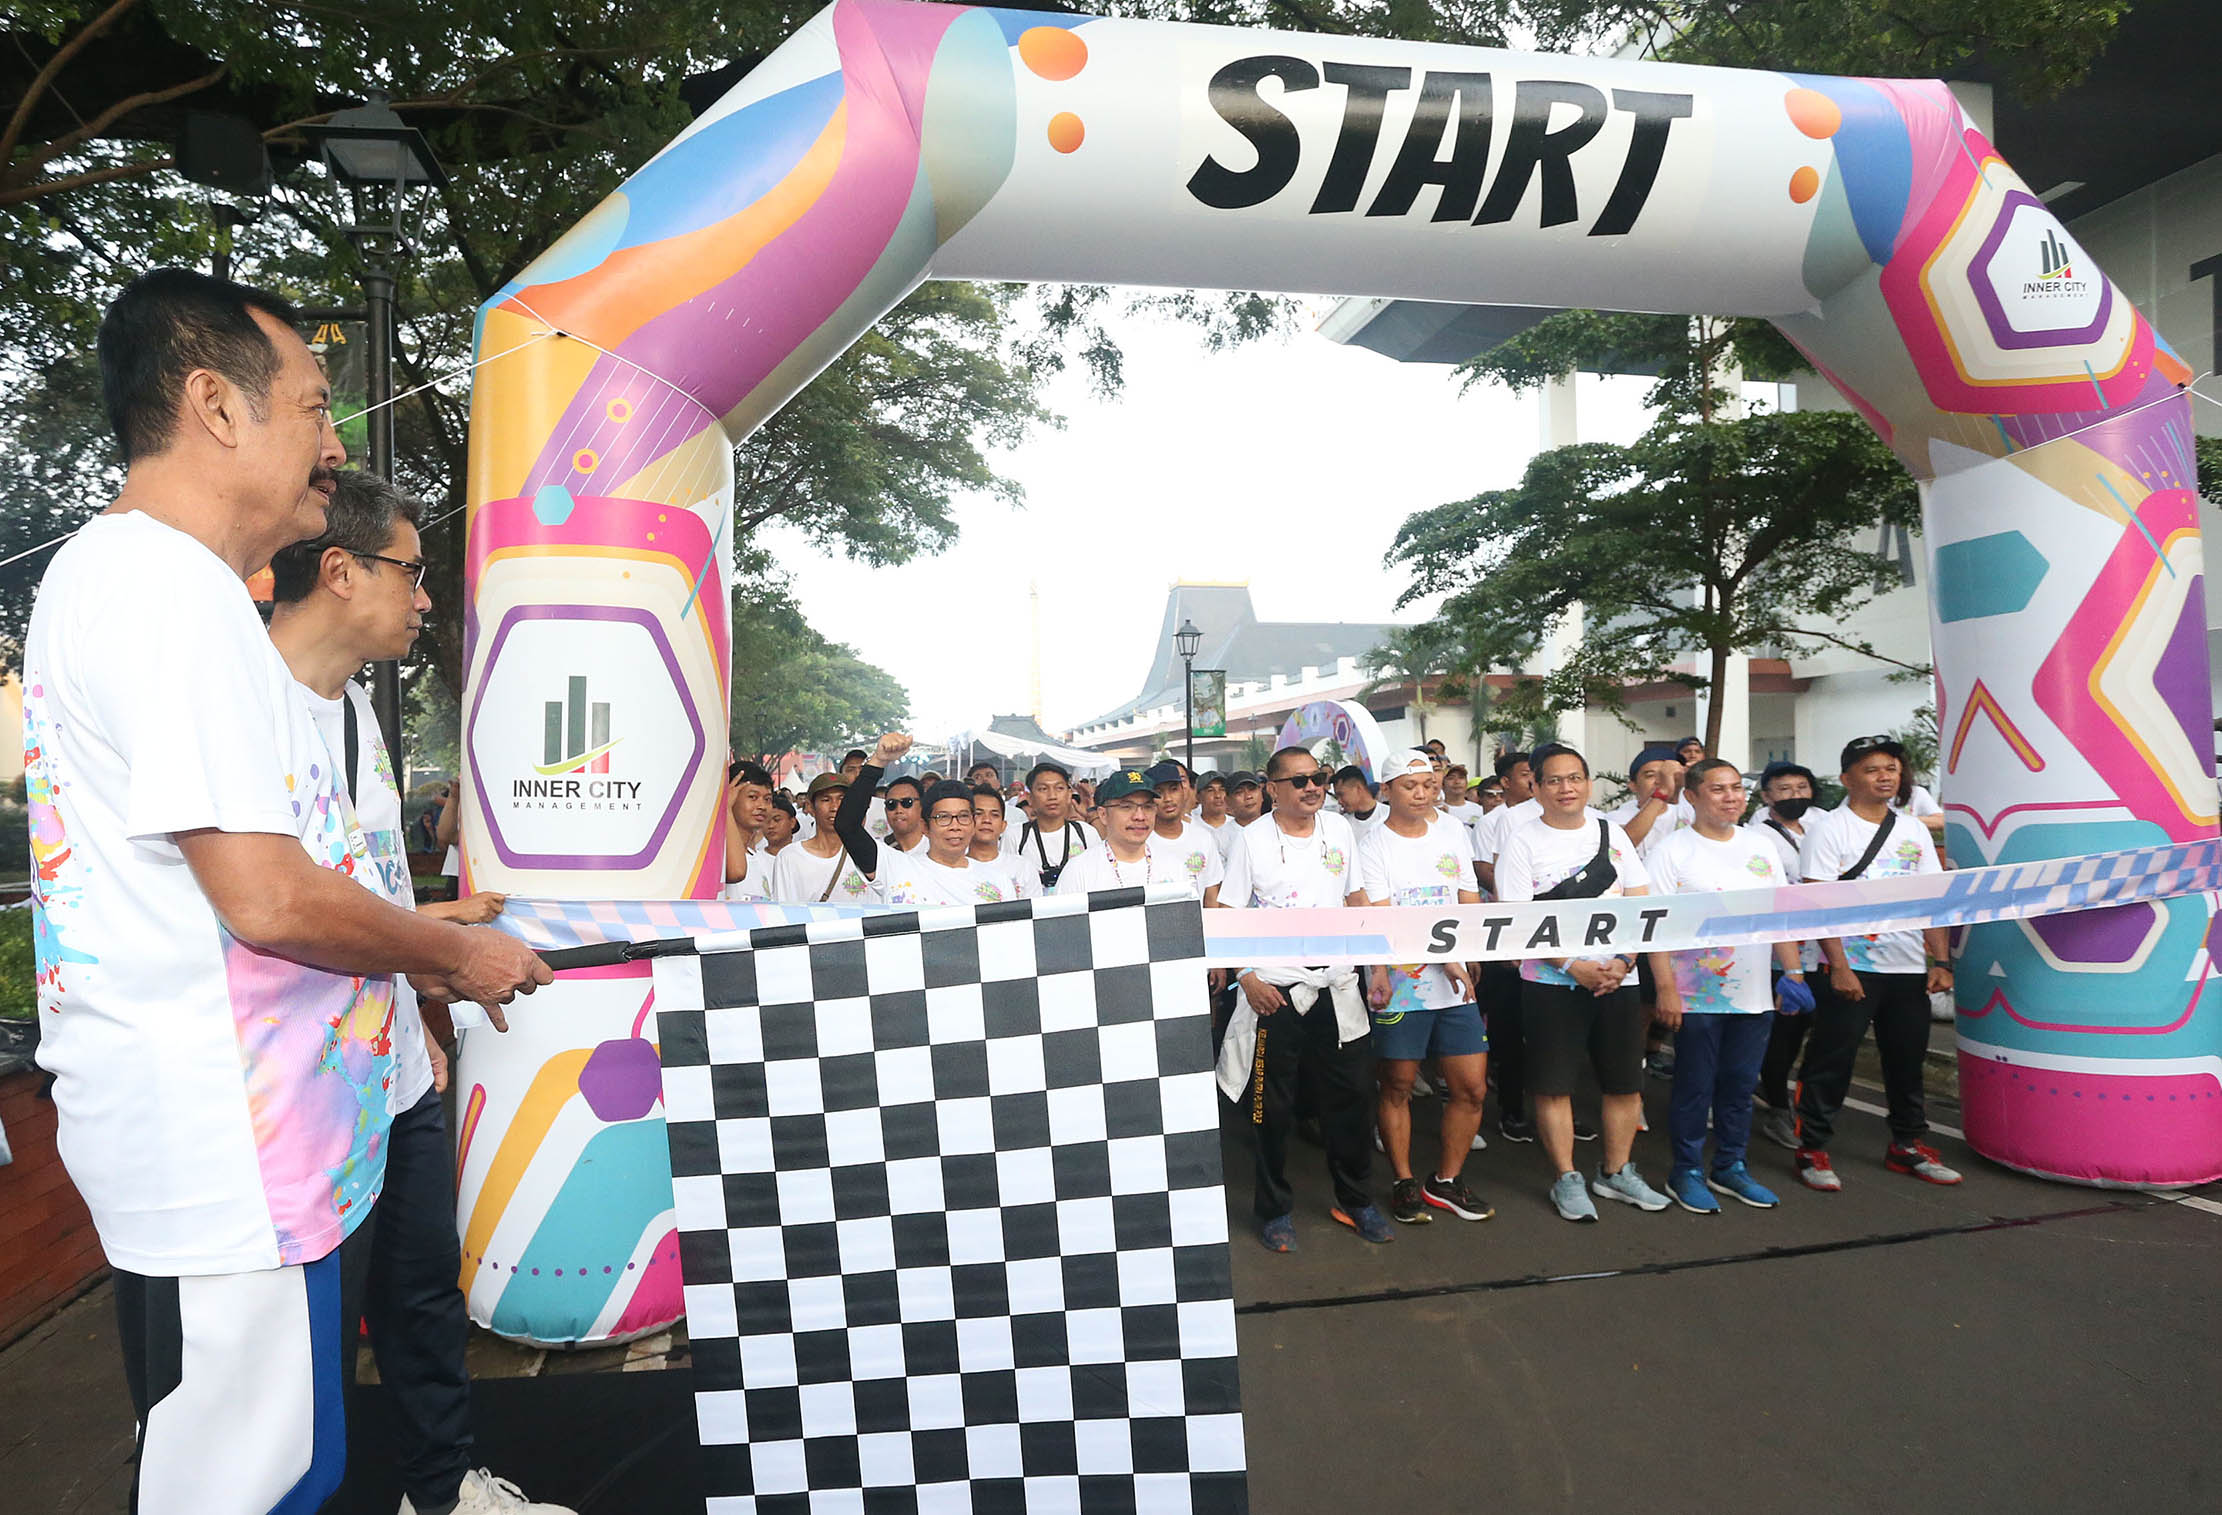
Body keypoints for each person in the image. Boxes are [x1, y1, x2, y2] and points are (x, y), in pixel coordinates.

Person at [25, 267, 549, 1515]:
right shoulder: (161, 589)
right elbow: (264, 895)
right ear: (213, 403)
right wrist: (451, 954)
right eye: (314, 407)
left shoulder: (181, 590)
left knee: (291, 1469)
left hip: (278, 1140)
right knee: (245, 1485)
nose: (332, 446)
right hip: (227, 1147)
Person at [266, 469, 570, 1515]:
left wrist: (424, 990)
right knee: (298, 1355)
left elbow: (359, 888)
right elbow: (272, 908)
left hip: (395, 1064)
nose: (427, 596)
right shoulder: (242, 709)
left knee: (422, 1302)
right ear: (339, 570)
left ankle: (442, 1492)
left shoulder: (353, 707)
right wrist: (448, 960)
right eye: (411, 569)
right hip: (293, 1102)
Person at [1214, 747, 1392, 1251]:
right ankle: (1273, 1211)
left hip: (1338, 984)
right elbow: (1229, 912)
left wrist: (1375, 965)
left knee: (1354, 1099)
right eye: (1298, 781)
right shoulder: (1251, 840)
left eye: (1318, 777)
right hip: (1277, 991)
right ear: (1273, 789)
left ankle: (1357, 1201)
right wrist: (1246, 976)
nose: (1312, 787)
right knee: (1271, 1110)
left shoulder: (1338, 830)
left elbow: (1356, 898)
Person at [1494, 744, 1671, 1222]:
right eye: (1554, 780)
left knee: (1624, 1083)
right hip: (1552, 983)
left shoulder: (1612, 833)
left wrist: (1626, 960)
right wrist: (1571, 964)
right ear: (1536, 787)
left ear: (1589, 783)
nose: (1566, 788)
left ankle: (1615, 1172)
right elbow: (1514, 919)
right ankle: (1567, 1177)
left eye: (1575, 778)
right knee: (1554, 1086)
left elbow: (1639, 900)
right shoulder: (1522, 841)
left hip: (1618, 979)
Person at [1792, 736, 1961, 1190]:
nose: (1886, 776)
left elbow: (1931, 900)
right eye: (1872, 769)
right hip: (1847, 967)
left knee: (1906, 1061)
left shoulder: (1913, 829)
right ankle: (1812, 1148)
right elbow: (1817, 903)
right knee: (1832, 1059)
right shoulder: (1831, 829)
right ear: (1847, 779)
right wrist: (1840, 966)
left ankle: (1907, 1145)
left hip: (1906, 967)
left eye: (1891, 768)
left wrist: (1940, 959)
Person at [1644, 759, 1811, 1215]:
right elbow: (1655, 928)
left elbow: (1778, 917)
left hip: (1753, 993)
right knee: (1695, 1086)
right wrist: (1666, 988)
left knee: (1739, 1085)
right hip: (1695, 995)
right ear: (1692, 797)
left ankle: (1731, 1166)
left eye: (1737, 788)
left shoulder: (1761, 847)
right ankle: (1686, 1170)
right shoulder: (1671, 852)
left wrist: (1793, 974)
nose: (1732, 797)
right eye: (1718, 789)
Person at [1358, 751, 1492, 1224]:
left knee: (1471, 1088)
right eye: (1410, 785)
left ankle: (1447, 1181)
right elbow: (1383, 917)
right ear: (1387, 790)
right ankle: (1403, 1179)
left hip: (1456, 977)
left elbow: (1468, 897)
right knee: (1397, 1083)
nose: (1422, 793)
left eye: (1428, 785)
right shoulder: (1372, 845)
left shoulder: (1453, 832)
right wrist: (1447, 957)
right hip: (1399, 979)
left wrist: (1467, 956)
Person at [1747, 761, 1822, 1150]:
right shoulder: (1756, 838)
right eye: (1784, 789)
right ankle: (1778, 1107)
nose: (1795, 796)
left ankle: (1784, 1095)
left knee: (1814, 1032)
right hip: (1779, 953)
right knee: (1782, 1035)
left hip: (1825, 950)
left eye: (1801, 787)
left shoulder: (1824, 823)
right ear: (1766, 796)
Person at [873, 779, 1027, 907]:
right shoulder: (898, 867)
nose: (955, 826)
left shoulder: (999, 881)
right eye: (943, 817)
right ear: (925, 827)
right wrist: (878, 762)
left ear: (973, 824)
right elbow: (850, 828)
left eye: (963, 816)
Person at [1055, 769, 1178, 895]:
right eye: (1126, 807)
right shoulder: (1079, 871)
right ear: (1103, 815)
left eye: (1147, 807)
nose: (1140, 816)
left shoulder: (1174, 866)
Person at [770, 772, 877, 904]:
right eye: (826, 800)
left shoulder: (869, 853)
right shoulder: (790, 857)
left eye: (842, 799)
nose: (835, 807)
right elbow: (784, 912)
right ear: (810, 807)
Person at [1003, 761, 1094, 890]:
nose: (1052, 796)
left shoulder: (1085, 833)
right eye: (1043, 789)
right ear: (1029, 797)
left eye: (1059, 788)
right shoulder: (1015, 835)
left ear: (1069, 794)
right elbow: (1008, 881)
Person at [1146, 760, 1227, 899]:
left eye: (1173, 789)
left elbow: (1211, 894)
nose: (1168, 799)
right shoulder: (1141, 841)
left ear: (1184, 791)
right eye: (1159, 792)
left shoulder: (1203, 838)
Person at [1610, 745, 1691, 849]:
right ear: (1633, 786)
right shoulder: (1618, 817)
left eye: (1666, 776)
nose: (1659, 781)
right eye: (1650, 775)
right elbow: (1623, 845)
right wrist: (1662, 793)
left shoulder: (1688, 813)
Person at [967, 785, 1037, 897]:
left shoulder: (1023, 867)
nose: (986, 820)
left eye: (994, 815)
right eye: (978, 814)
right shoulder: (952, 869)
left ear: (1003, 825)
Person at [722, 762, 777, 900]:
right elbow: (737, 872)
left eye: (767, 799)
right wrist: (725, 808)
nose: (762, 806)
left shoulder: (764, 861)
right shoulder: (718, 856)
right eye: (753, 797)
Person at [1331, 765, 1384, 829]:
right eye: (1337, 797)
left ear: (1359, 788)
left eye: (1341, 794)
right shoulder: (1343, 824)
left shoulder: (1390, 816)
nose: (1339, 801)